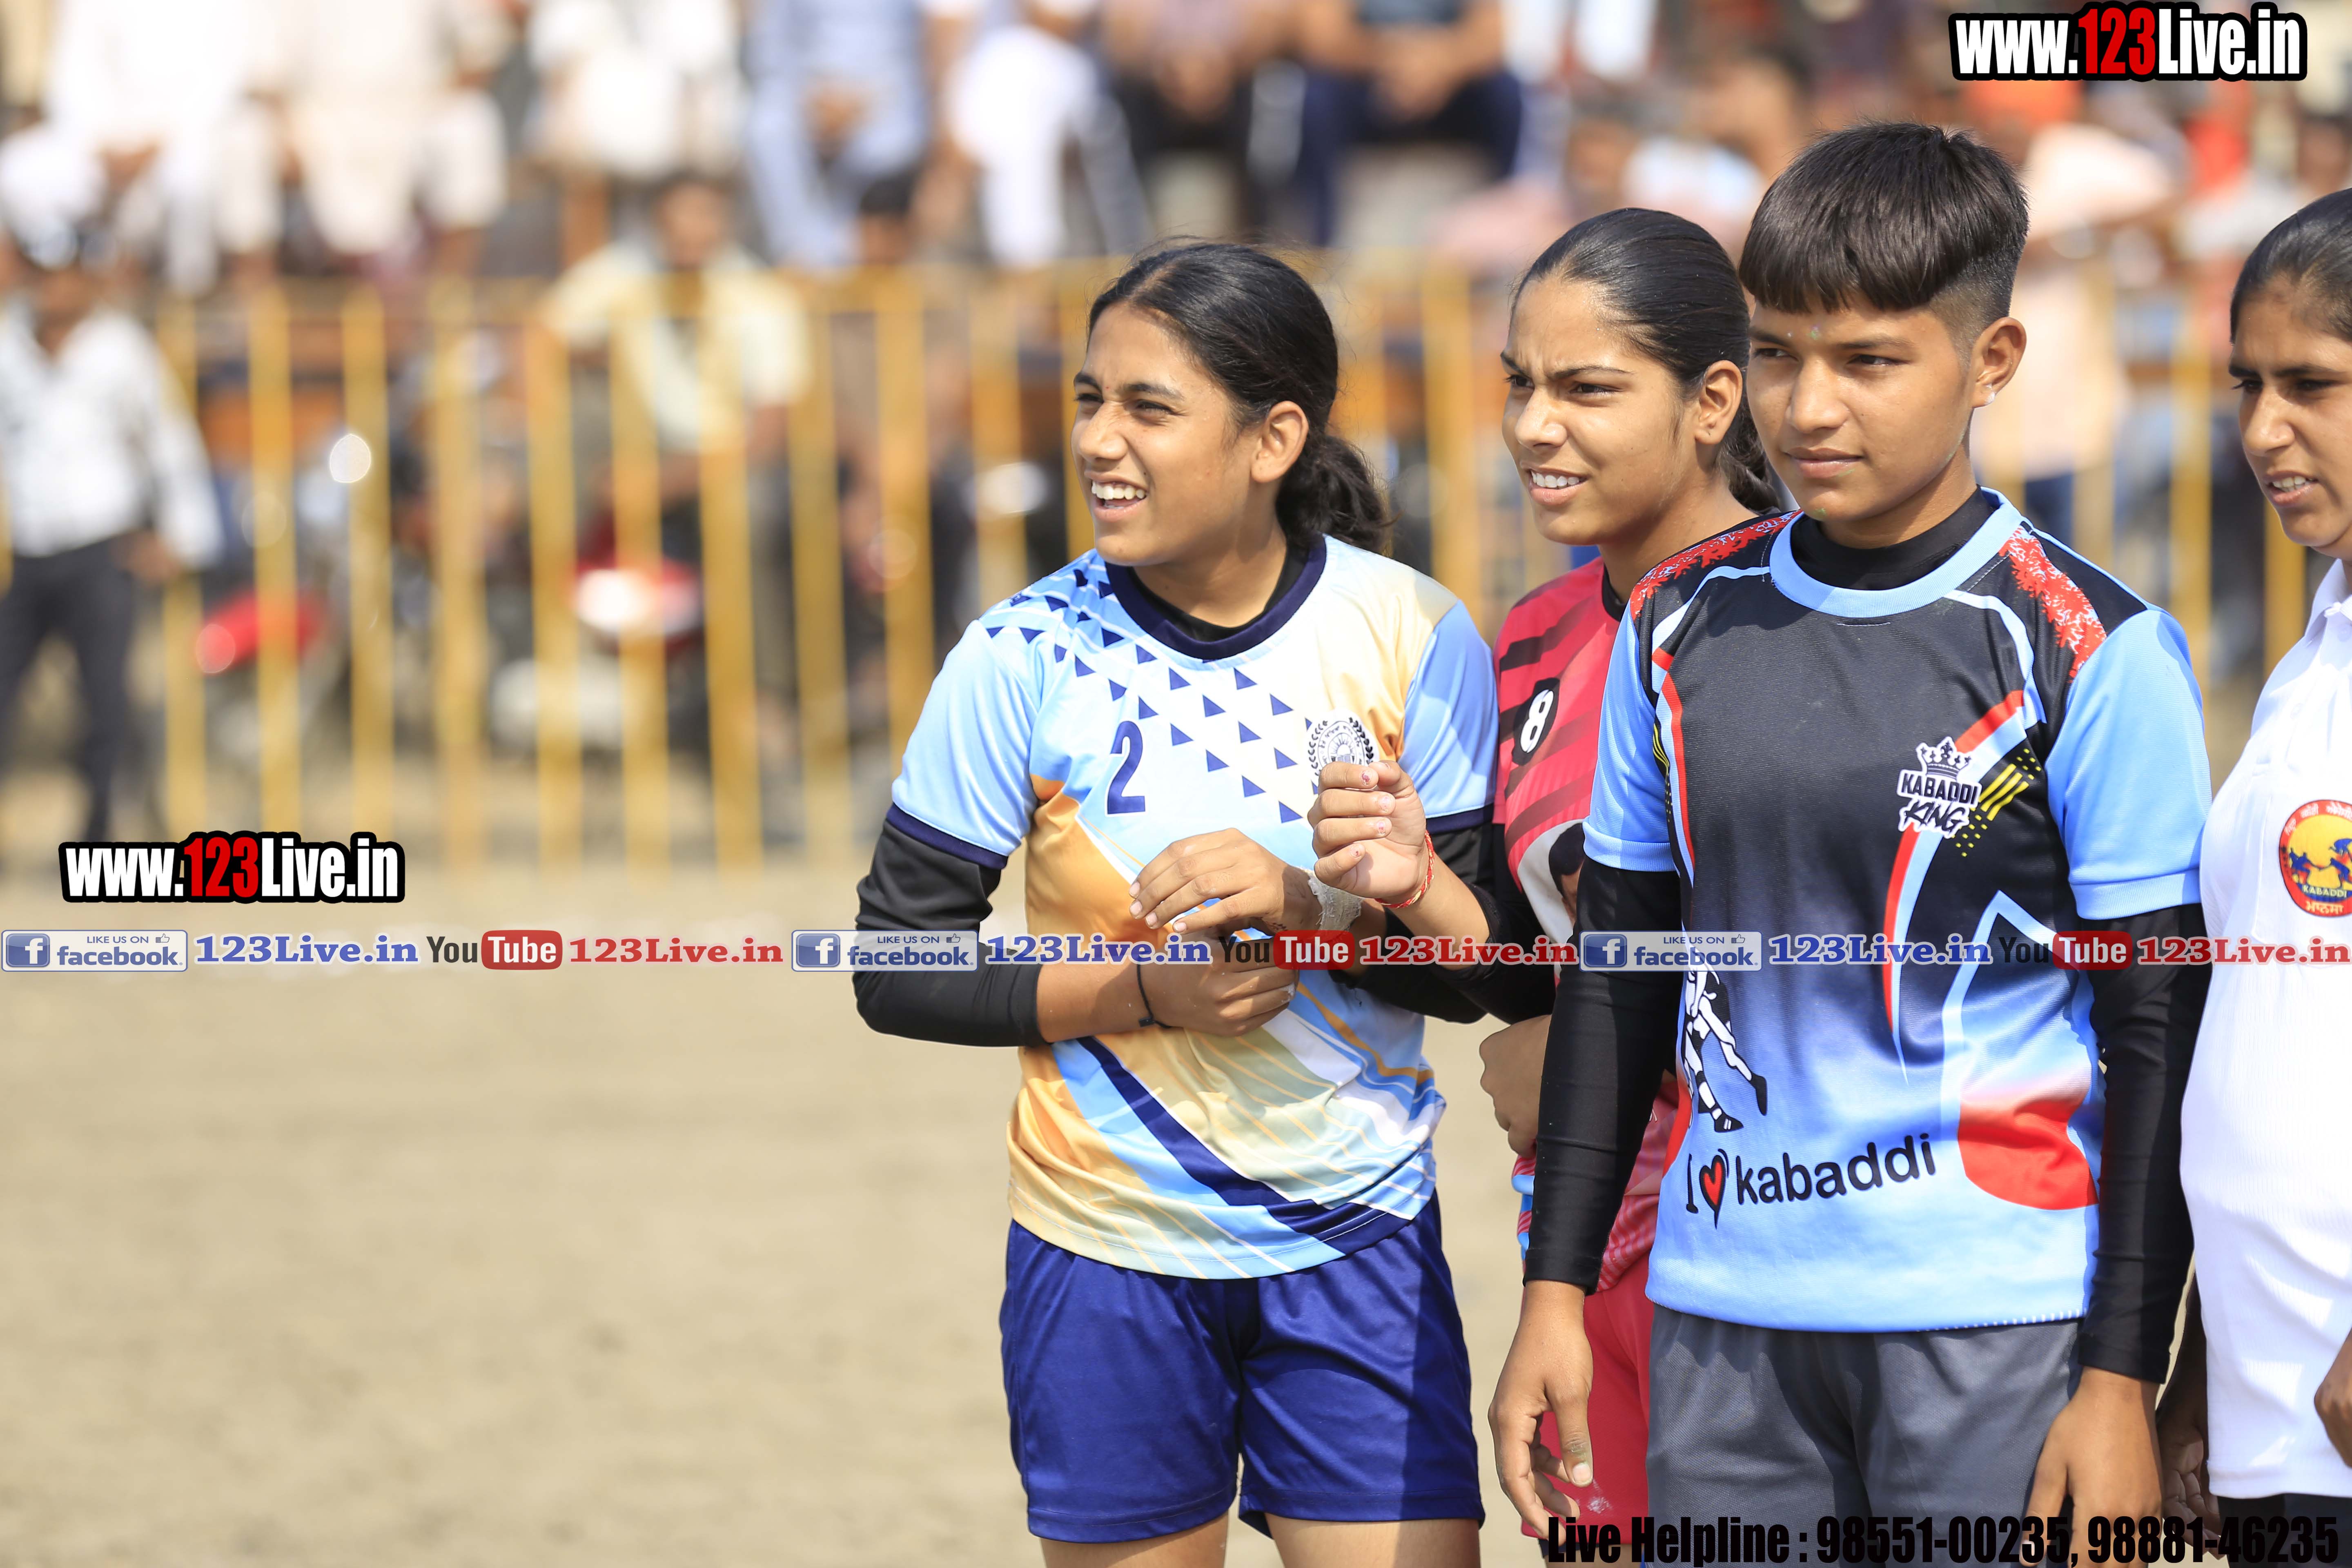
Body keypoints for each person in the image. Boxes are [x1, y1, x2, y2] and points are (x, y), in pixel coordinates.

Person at [1492, 121, 2212, 1531]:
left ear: (1992, 360)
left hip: (2001, 1326)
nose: (1810, 406)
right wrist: (1554, 1293)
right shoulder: (1675, 623)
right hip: (1722, 1323)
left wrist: (2122, 1378)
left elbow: (2158, 1036)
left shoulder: (2091, 647)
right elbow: (1618, 983)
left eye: (1870, 361)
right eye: (1777, 354)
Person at [852, 242, 1494, 1564]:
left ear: (1274, 439)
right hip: (1104, 1248)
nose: (1100, 441)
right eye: (1091, 400)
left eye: (1149, 408)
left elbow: (1481, 973)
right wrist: (1145, 990)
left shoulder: (1416, 636)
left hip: (1360, 1241)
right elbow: (896, 966)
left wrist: (1312, 908)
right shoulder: (1019, 654)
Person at [1305, 206, 1782, 1530]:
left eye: (1587, 389)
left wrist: (1576, 1047)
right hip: (1577, 1241)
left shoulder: (1805, 616)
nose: (1533, 425)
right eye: (1521, 384)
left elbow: (1838, 963)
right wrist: (1417, 885)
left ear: (1713, 401)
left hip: (1766, 1246)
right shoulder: (1533, 635)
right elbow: (1534, 967)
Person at [2158, 189, 2352, 1547]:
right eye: (2248, 385)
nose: (2263, 430)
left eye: (2313, 386)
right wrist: (2197, 1363)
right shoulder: (2312, 654)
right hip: (2276, 1398)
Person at [0, 223, 221, 840]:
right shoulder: (8, 347)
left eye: (64, 275)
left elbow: (168, 442)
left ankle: (99, 837)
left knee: (105, 702)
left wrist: (181, 535)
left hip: (101, 548)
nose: (53, 289)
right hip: (25, 551)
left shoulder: (122, 350)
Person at [219, 0, 513, 276]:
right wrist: (284, 131)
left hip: (415, 113)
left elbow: (483, 38)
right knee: (243, 140)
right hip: (314, 123)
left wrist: (445, 97)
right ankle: (258, 305)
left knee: (470, 121)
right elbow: (265, 65)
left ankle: (450, 299)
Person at [0, 0, 253, 293]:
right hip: (98, 145)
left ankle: (187, 295)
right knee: (14, 172)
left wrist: (156, 145)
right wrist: (101, 145)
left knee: (192, 181)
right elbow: (71, 77)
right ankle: (58, 278)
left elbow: (222, 83)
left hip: (181, 141)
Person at [1292, 0, 1521, 248]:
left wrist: (1438, 66)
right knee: (1317, 97)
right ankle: (1321, 238)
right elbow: (1321, 37)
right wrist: (1398, 60)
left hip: (1449, 84)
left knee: (1506, 91)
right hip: (1367, 83)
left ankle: (1504, 223)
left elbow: (1492, 37)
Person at [742, 0, 927, 269]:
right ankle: (799, 259)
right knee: (765, 128)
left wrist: (862, 100)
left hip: (886, 100)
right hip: (804, 94)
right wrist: (811, 95)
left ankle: (855, 259)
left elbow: (915, 50)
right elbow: (770, 48)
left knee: (892, 146)